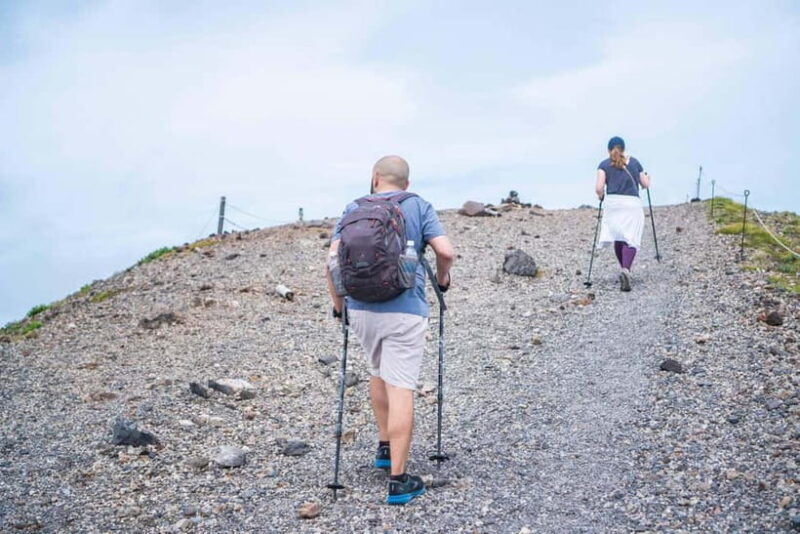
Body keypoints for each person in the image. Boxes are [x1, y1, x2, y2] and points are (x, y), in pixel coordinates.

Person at [325, 155, 455, 505]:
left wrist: (340, 307)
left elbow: (332, 260)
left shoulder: (355, 207)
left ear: (375, 178)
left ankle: (385, 447)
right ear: (406, 183)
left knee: (378, 372)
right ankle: (399, 480)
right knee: (402, 387)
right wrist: (442, 280)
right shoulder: (418, 206)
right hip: (404, 311)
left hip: (361, 309)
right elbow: (445, 251)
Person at [595, 136, 651, 291]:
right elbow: (645, 184)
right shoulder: (634, 162)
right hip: (631, 203)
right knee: (630, 237)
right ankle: (626, 269)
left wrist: (601, 197)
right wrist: (648, 178)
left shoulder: (604, 165)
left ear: (608, 149)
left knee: (618, 236)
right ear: (624, 148)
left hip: (613, 203)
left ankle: (624, 270)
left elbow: (599, 188)